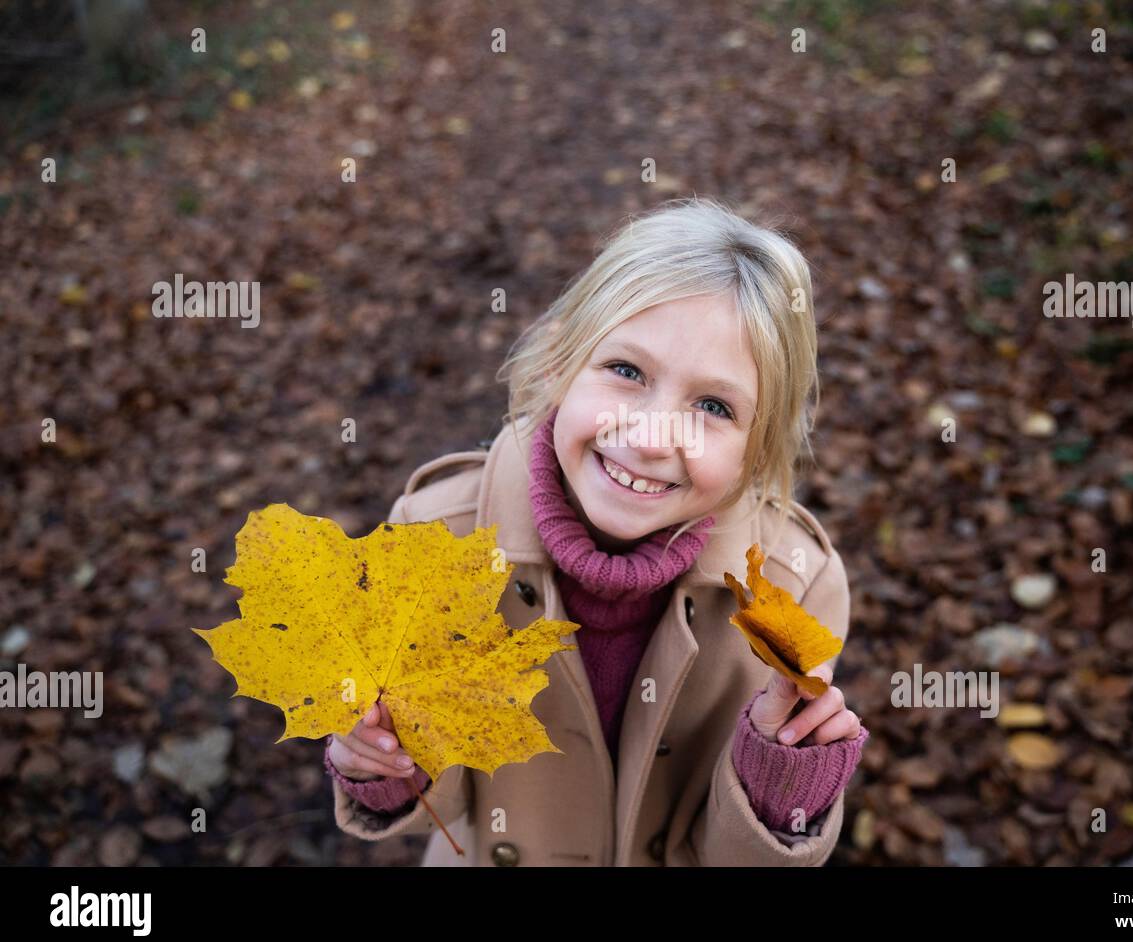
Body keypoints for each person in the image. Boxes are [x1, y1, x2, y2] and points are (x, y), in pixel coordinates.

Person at [324, 197, 867, 865]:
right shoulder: (435, 541)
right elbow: (443, 802)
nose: (648, 437)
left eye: (713, 406)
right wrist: (384, 766)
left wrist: (779, 786)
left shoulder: (793, 587)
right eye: (626, 372)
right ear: (559, 362)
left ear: (758, 450)